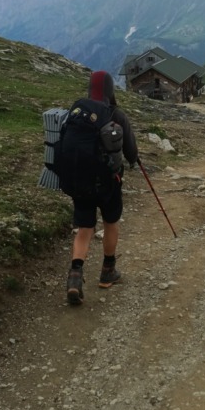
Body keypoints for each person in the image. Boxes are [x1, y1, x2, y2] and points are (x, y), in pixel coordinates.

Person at [66, 70, 138, 305]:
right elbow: (131, 151)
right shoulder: (116, 114)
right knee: (110, 223)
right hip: (108, 182)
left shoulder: (78, 112)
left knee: (85, 228)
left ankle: (75, 277)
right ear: (110, 89)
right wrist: (133, 159)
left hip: (79, 182)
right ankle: (108, 271)